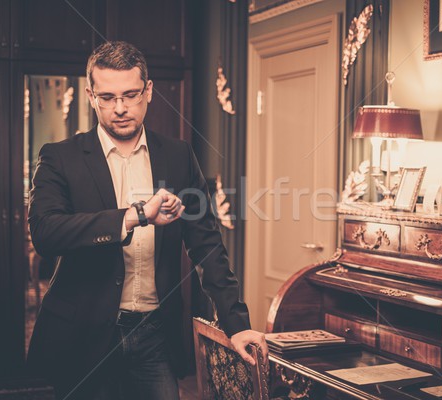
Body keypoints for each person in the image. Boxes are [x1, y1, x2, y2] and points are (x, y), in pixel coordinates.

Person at [27, 41, 267, 400]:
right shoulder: (60, 158)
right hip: (84, 336)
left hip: (156, 336)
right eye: (107, 97)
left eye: (131, 95)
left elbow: (207, 245)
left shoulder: (178, 155)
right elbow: (46, 233)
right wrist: (135, 216)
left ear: (149, 91)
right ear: (91, 95)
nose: (120, 108)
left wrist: (236, 324)